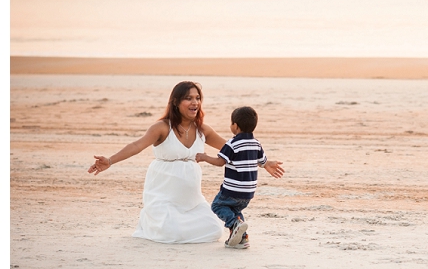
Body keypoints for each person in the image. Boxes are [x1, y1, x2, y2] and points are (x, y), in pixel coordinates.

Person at [87, 81, 284, 244]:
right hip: (162, 196)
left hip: (192, 201)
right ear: (175, 102)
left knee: (214, 230)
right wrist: (110, 160)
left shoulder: (202, 130)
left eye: (197, 98)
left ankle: (236, 231)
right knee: (171, 232)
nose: (195, 102)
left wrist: (264, 163)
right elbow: (137, 145)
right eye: (188, 98)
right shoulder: (162, 127)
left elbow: (235, 150)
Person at [195, 106, 271, 249]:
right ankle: (242, 239)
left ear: (235, 126)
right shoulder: (256, 144)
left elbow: (220, 162)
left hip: (232, 190)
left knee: (218, 205)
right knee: (236, 211)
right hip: (248, 193)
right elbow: (262, 162)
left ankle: (234, 224)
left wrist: (205, 157)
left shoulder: (232, 144)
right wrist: (268, 164)